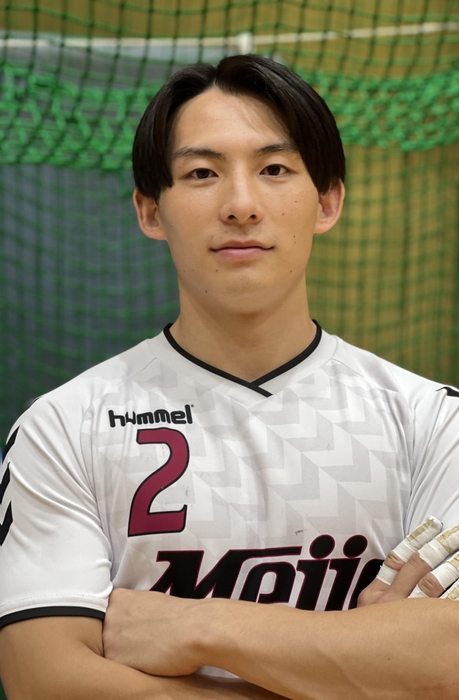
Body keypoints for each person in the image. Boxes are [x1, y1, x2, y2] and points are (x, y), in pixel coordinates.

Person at [1, 54, 459, 700]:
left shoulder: (434, 422)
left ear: (327, 201)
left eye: (274, 170)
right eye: (201, 173)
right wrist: (369, 667)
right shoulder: (62, 428)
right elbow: (44, 679)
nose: (241, 205)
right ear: (150, 211)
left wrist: (197, 627)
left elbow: (450, 659)